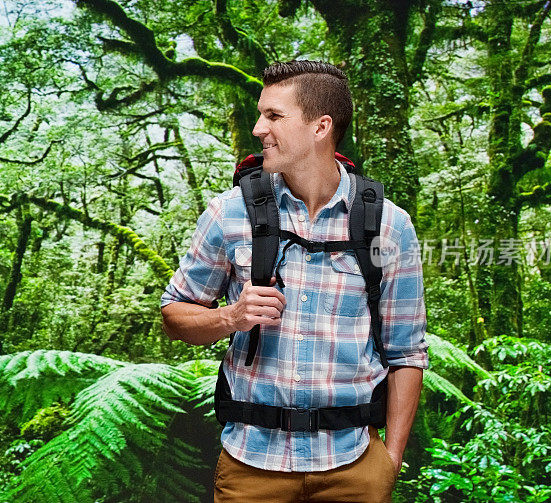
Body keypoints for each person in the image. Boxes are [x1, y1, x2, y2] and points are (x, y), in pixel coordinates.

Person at [160, 60, 428, 503]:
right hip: (251, 464)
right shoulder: (230, 213)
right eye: (261, 114)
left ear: (321, 127)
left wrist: (390, 461)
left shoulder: (386, 225)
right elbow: (173, 313)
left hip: (355, 465)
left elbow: (407, 352)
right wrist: (231, 316)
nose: (257, 128)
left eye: (273, 116)